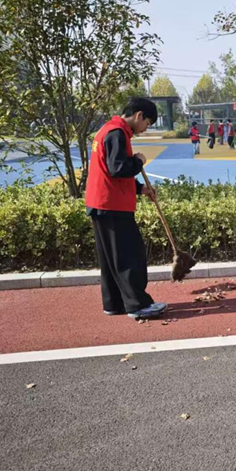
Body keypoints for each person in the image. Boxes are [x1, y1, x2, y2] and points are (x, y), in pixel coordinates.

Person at [86, 97, 168, 320]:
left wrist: (141, 189)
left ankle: (114, 303)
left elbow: (113, 171)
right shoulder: (117, 133)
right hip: (112, 205)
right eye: (147, 123)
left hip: (101, 203)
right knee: (130, 256)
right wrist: (139, 161)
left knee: (111, 259)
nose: (145, 129)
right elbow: (118, 168)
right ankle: (138, 304)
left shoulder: (108, 129)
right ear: (139, 115)